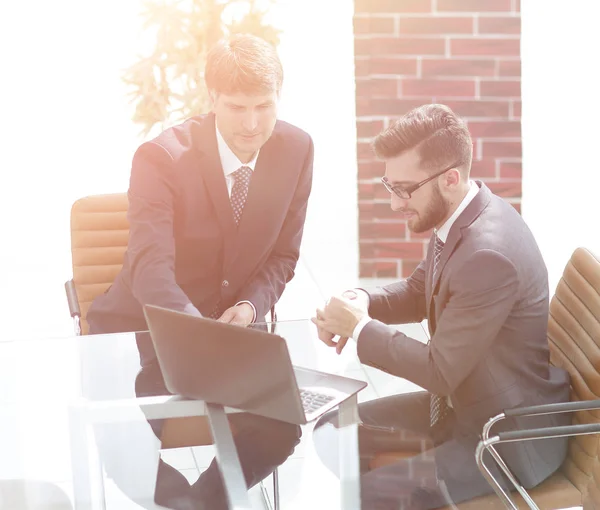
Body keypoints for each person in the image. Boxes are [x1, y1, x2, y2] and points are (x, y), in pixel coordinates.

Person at [87, 33, 314, 509]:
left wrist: (251, 306)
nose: (252, 125)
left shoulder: (296, 150)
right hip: (139, 334)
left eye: (264, 106)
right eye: (236, 107)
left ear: (279, 98)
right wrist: (201, 343)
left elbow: (283, 256)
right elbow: (151, 269)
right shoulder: (162, 159)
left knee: (282, 426)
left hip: (230, 333)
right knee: (121, 447)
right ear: (211, 100)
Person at [312, 104, 570, 509]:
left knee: (376, 491)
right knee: (335, 430)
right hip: (463, 410)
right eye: (390, 185)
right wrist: (360, 303)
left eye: (404, 189)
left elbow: (439, 371)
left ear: (450, 178)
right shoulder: (460, 217)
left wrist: (360, 328)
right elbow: (419, 291)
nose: (396, 204)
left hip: (505, 437)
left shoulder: (489, 254)